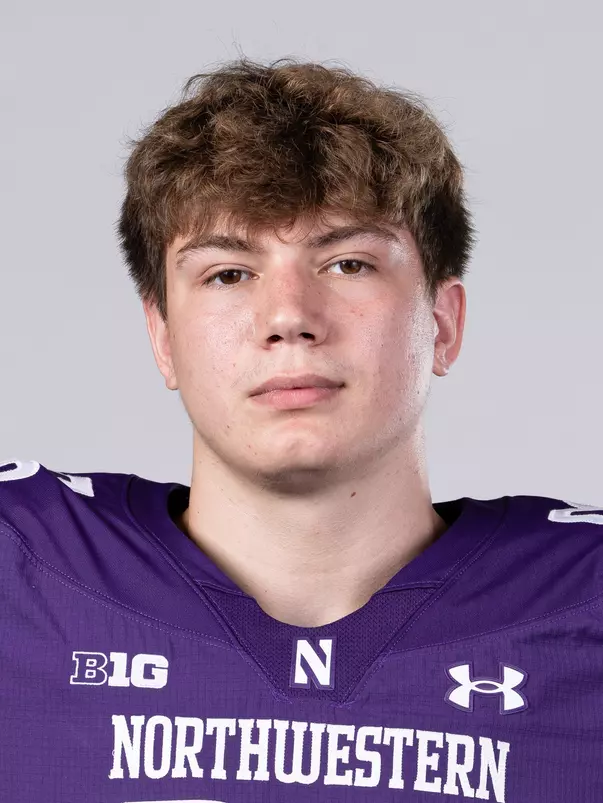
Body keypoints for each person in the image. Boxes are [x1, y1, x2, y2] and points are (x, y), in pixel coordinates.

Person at [1, 57, 601, 803]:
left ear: (442, 324)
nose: (289, 317)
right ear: (162, 337)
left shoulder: (583, 601)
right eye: (227, 273)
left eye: (347, 263)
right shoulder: (23, 569)